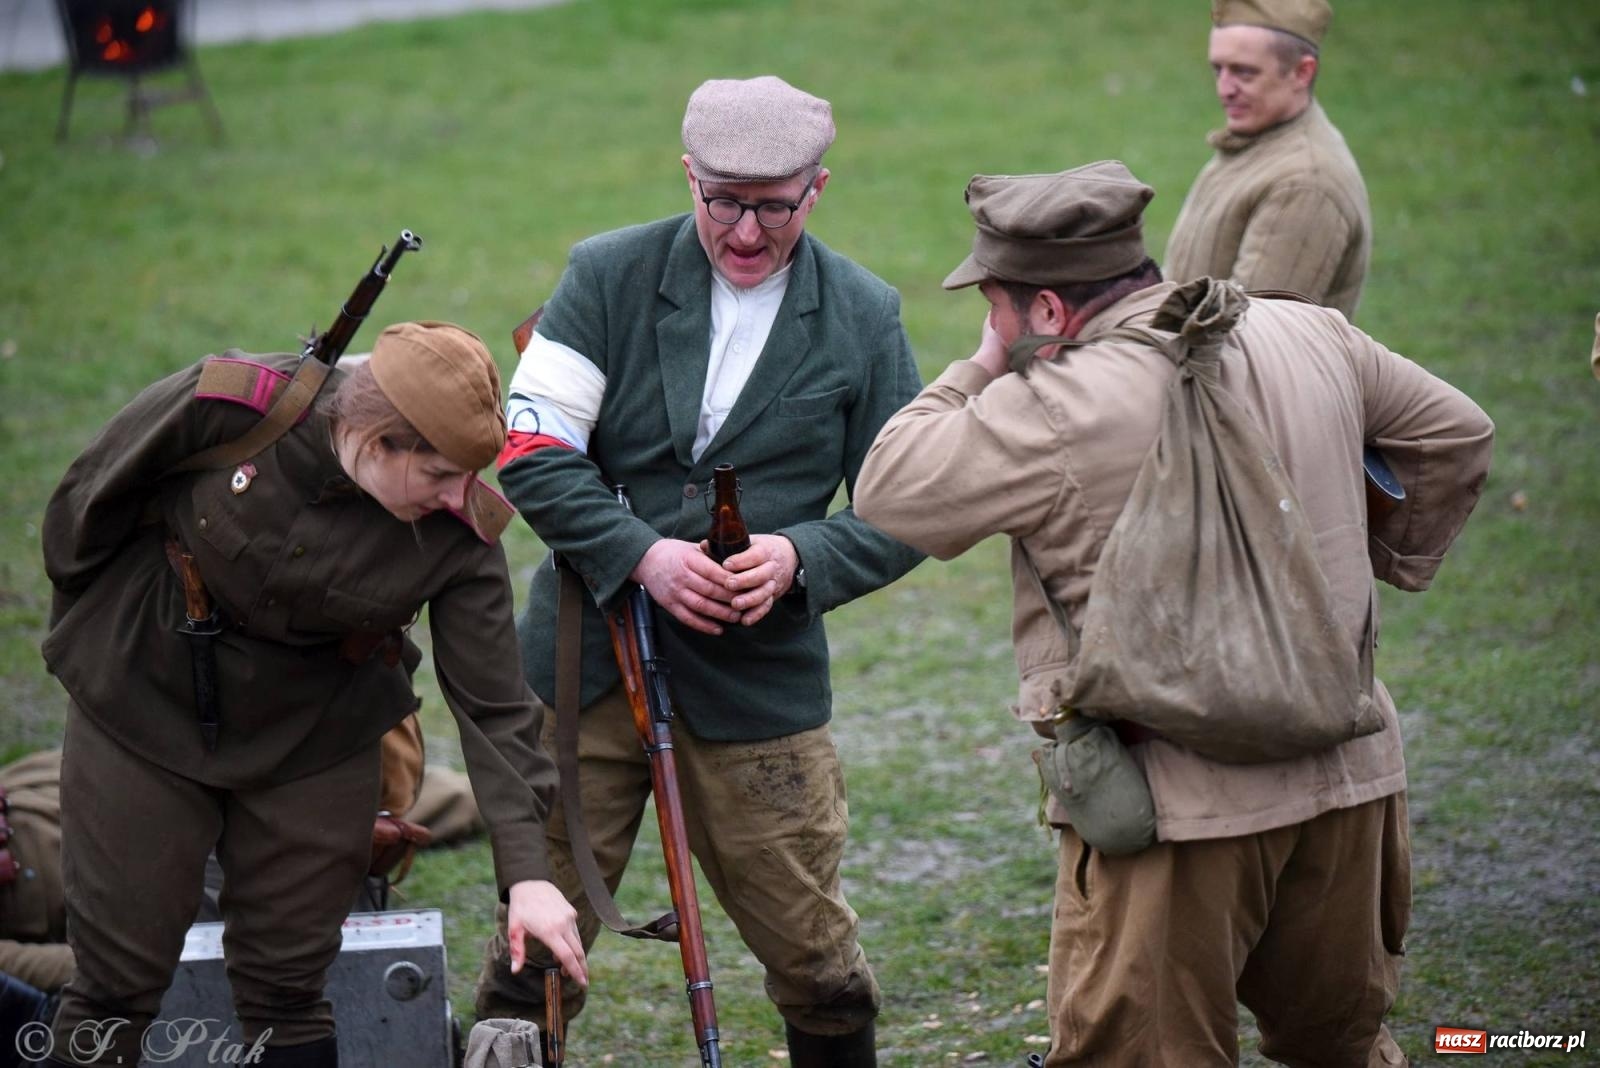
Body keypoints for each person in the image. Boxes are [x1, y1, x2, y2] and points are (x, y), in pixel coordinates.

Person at [854, 162, 1493, 1066]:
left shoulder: (1047, 404)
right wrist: (1350, 574)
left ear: (1045, 308)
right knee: (1341, 1047)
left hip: (1176, 814)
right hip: (1348, 776)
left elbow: (890, 488)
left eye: (996, 303)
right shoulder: (1309, 332)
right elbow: (1455, 432)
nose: (992, 323)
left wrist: (986, 361)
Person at [475, 75, 924, 1066]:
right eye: (722, 198)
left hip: (758, 687)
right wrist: (641, 556)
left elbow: (912, 500)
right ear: (689, 176)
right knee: (531, 954)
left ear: (819, 188)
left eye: (774, 203)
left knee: (819, 965)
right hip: (583, 670)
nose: (747, 230)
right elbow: (532, 452)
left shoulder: (862, 314)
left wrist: (802, 557)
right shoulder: (604, 277)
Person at [38, 321, 587, 1067]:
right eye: (439, 473)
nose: (461, 495)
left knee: (289, 988)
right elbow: (84, 505)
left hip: (314, 738)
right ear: (376, 438)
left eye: (470, 474)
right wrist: (106, 635)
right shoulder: (237, 405)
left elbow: (493, 707)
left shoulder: (460, 536)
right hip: (144, 704)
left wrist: (526, 875)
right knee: (115, 982)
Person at [1163, 0, 1371, 319]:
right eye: (1218, 69)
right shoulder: (1256, 143)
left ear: (1302, 72)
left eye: (1244, 72)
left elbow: (1249, 341)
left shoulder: (1305, 184)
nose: (1224, 89)